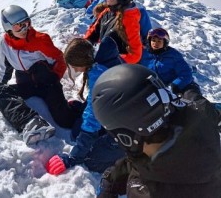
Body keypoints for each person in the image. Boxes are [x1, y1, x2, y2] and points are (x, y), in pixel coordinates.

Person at [92, 63, 221, 198]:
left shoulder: (149, 192)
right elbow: (144, 160)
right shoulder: (196, 116)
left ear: (127, 138)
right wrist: (113, 178)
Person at [0, 5, 81, 145]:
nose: (25, 29)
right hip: (26, 83)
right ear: (8, 28)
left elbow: (59, 59)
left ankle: (78, 108)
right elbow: (5, 66)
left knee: (64, 121)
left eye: (27, 23)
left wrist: (54, 77)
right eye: (19, 26)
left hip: (46, 83)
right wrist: (0, 84)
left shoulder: (40, 40)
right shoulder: (5, 42)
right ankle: (31, 122)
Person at [46, 38, 125, 175]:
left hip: (127, 129)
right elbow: (101, 97)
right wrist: (83, 106)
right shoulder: (105, 61)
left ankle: (129, 162)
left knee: (90, 160)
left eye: (75, 66)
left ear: (83, 62)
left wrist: (74, 157)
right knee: (77, 130)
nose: (75, 69)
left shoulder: (99, 73)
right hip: (121, 115)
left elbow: (92, 119)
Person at [85, 0, 152, 64]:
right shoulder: (107, 11)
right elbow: (94, 30)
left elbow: (135, 55)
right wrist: (85, 43)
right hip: (103, 59)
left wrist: (112, 61)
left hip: (118, 69)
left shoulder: (129, 20)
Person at [140, 27, 200, 95]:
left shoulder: (173, 55)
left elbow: (186, 74)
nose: (155, 43)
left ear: (165, 43)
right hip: (157, 90)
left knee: (192, 99)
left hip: (181, 87)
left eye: (159, 41)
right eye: (153, 40)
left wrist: (175, 85)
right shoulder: (144, 55)